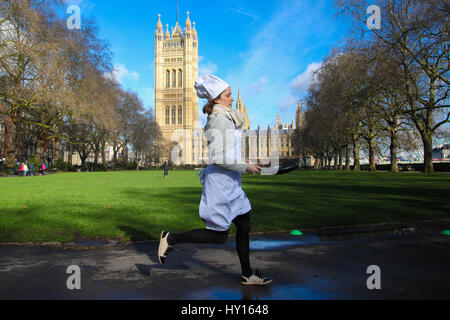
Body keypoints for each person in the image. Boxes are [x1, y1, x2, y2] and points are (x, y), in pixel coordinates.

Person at [158, 74, 273, 285]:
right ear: (217, 98)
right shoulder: (217, 121)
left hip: (231, 181)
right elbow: (218, 157)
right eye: (228, 95)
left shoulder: (226, 117)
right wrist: (244, 166)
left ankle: (247, 275)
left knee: (244, 224)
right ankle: (171, 238)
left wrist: (241, 160)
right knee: (219, 236)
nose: (231, 99)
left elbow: (227, 150)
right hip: (220, 184)